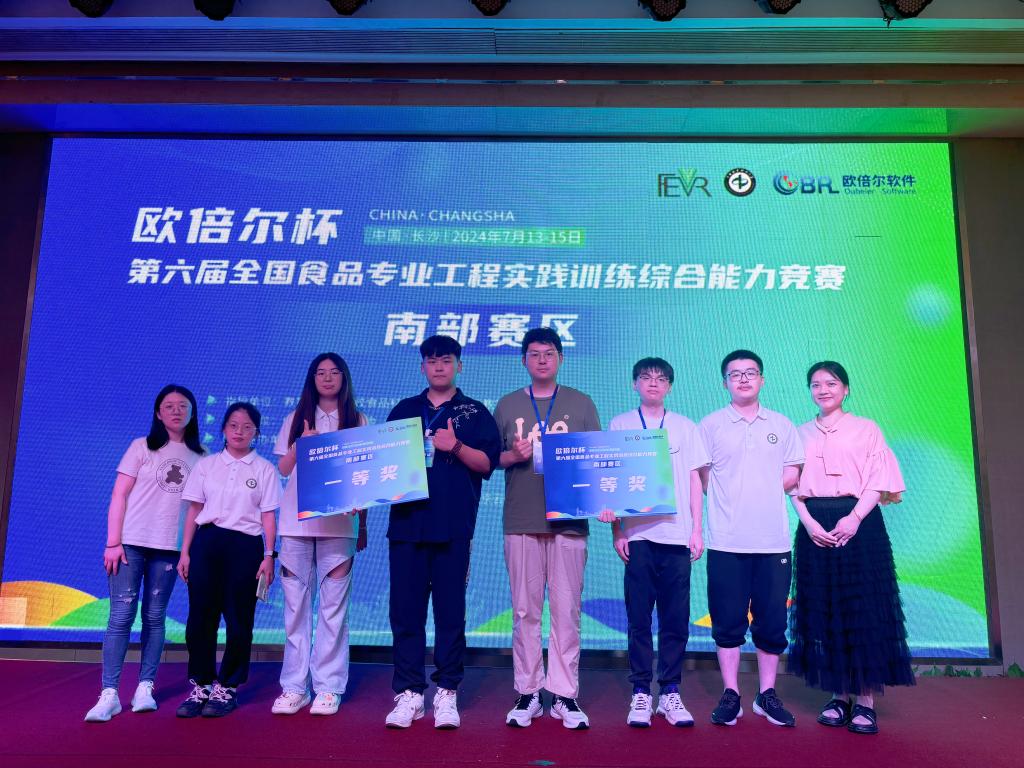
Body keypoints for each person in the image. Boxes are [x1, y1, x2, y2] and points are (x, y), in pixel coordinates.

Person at [788, 361, 914, 735]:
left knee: (863, 608)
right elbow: (792, 486)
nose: (823, 390)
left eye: (831, 383)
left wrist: (855, 518)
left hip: (860, 523)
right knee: (826, 608)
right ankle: (838, 695)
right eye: (815, 384)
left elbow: (879, 479)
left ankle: (865, 701)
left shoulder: (866, 428)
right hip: (815, 525)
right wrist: (809, 522)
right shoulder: (799, 433)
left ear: (846, 389)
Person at [383, 335, 502, 729]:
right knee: (406, 614)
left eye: (446, 360)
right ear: (422, 367)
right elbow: (383, 468)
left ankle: (447, 691)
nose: (438, 367)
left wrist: (454, 446)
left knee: (450, 614)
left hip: (453, 527)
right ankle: (410, 693)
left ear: (459, 366)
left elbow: (487, 463)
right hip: (407, 526)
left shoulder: (474, 412)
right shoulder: (404, 410)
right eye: (431, 361)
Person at [494, 327, 601, 730]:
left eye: (549, 353)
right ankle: (527, 692)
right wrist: (512, 454)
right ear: (523, 359)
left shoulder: (580, 403)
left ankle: (564, 694)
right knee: (524, 611)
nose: (542, 359)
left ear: (561, 358)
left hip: (568, 522)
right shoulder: (507, 404)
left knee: (566, 611)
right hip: (522, 520)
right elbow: (491, 460)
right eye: (535, 353)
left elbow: (596, 460)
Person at [599, 358, 709, 728]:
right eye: (646, 377)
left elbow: (695, 481)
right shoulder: (620, 424)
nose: (653, 383)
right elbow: (610, 478)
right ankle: (641, 692)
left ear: (670, 387)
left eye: (661, 379)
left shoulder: (685, 427)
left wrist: (697, 530)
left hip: (677, 536)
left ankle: (671, 692)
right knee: (639, 618)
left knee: (675, 619)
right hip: (638, 536)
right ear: (635, 384)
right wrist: (618, 531)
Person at [84, 385, 205, 722]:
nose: (176, 411)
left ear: (192, 412)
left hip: (169, 548)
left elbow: (198, 508)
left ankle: (145, 688)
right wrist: (113, 542)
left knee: (154, 616)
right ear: (158, 413)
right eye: (169, 406)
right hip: (131, 544)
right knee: (121, 616)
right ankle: (109, 694)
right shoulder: (141, 446)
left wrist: (188, 551)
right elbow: (119, 495)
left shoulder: (202, 455)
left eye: (183, 406)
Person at [698, 350, 803, 728]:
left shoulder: (781, 424)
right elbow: (703, 477)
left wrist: (761, 491)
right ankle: (731, 693)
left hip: (773, 541)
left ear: (762, 380)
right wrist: (732, 496)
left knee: (771, 622)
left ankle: (766, 694)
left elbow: (793, 471)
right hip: (726, 541)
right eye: (735, 374)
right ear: (724, 382)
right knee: (727, 621)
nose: (743, 379)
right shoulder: (710, 425)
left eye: (750, 373)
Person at [271, 354, 368, 717]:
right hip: (296, 525)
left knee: (333, 609)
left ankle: (328, 687)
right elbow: (283, 469)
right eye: (320, 373)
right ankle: (294, 687)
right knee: (296, 609)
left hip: (339, 525)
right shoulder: (295, 418)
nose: (327, 378)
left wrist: (363, 524)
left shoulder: (358, 420)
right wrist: (302, 444)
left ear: (344, 378)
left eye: (334, 372)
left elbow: (366, 477)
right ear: (312, 379)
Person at [175, 402, 280, 718]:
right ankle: (202, 684)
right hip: (207, 543)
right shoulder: (207, 465)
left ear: (256, 433)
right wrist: (185, 551)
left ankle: (228, 687)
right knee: (199, 619)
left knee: (239, 620)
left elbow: (268, 517)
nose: (239, 432)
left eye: (247, 427)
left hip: (246, 546)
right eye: (233, 425)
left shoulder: (264, 469)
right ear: (223, 429)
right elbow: (194, 510)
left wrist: (269, 556)